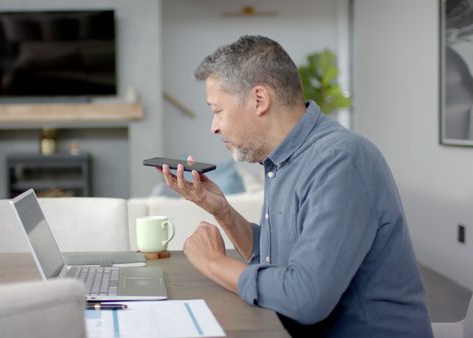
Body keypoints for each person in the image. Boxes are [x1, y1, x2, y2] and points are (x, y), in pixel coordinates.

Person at [158, 35, 433, 337]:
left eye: (217, 110)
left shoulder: (339, 161)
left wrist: (213, 263)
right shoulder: (283, 161)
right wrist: (222, 211)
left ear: (259, 100)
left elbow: (305, 299)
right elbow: (277, 261)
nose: (214, 126)